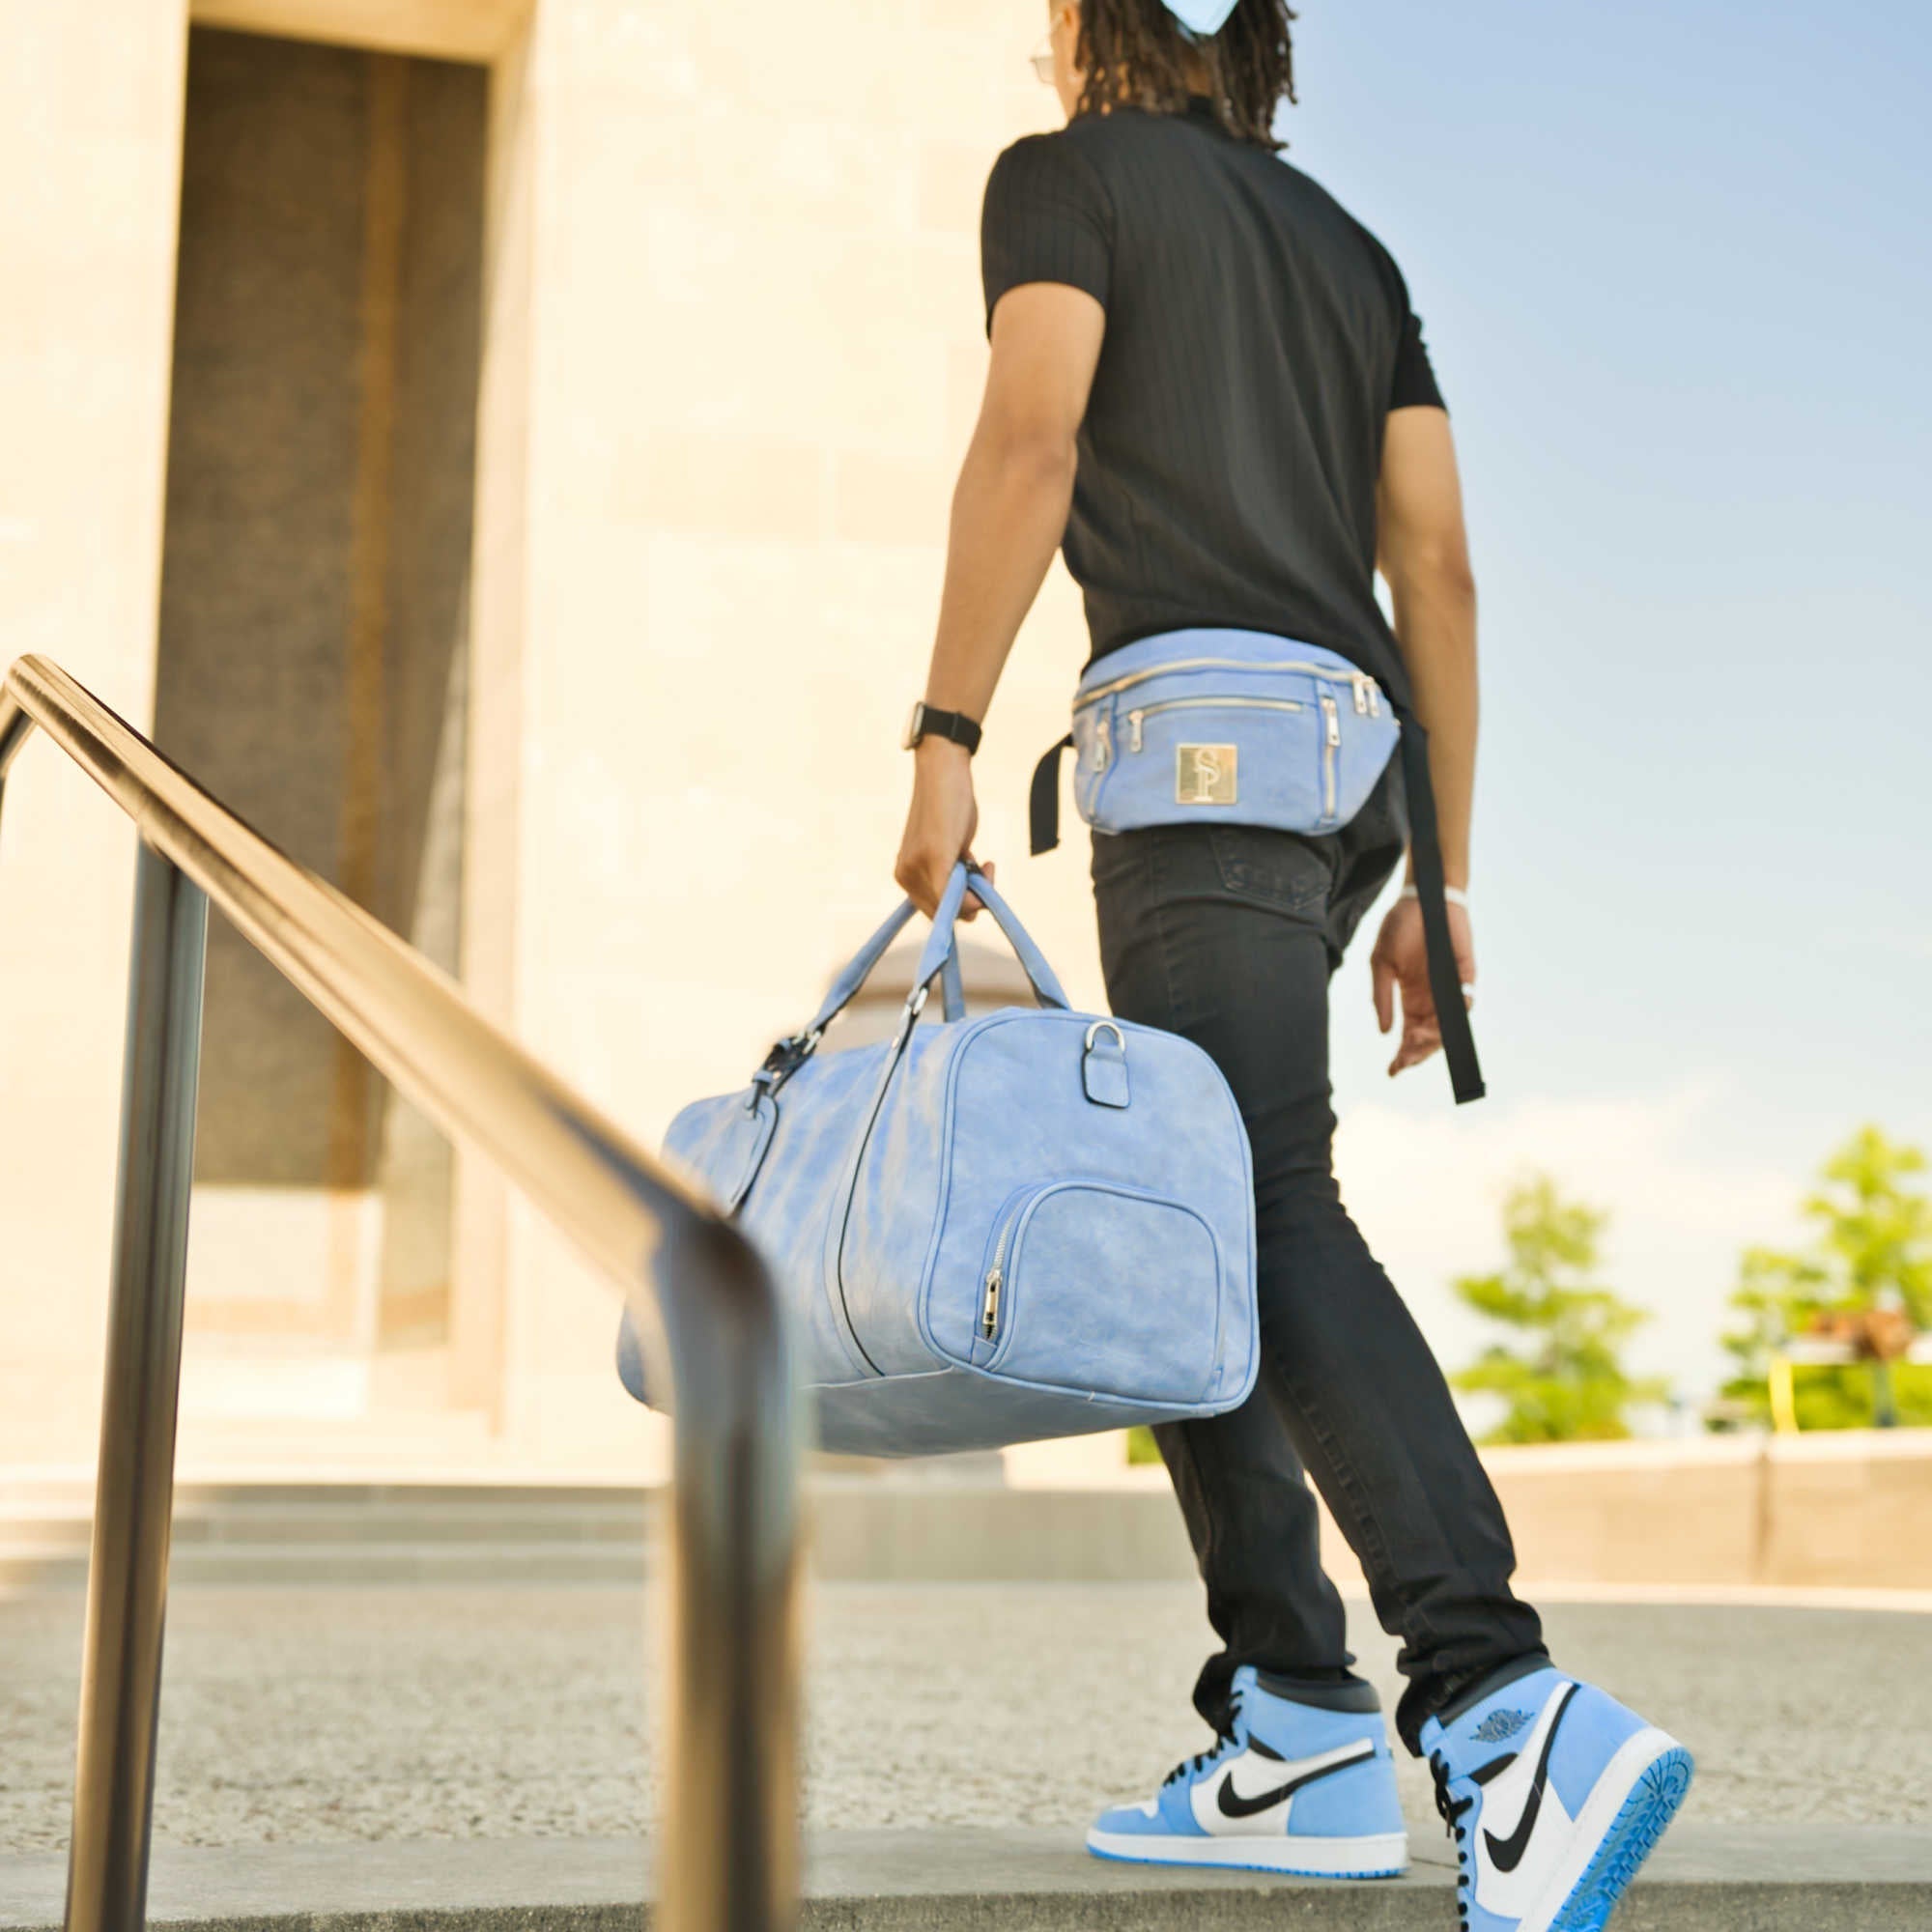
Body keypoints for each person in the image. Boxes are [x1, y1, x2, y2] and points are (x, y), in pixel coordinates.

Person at [892, 2, 1691, 1926]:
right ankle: (1301, 1719)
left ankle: (1500, 1704)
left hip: (1198, 751)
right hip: (1348, 780)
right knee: (1202, 1216)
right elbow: (1441, 567)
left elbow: (1031, 433)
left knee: (1249, 1191)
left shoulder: (1065, 180)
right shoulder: (1351, 250)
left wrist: (943, 730)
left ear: (1088, 26)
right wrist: (1445, 877)